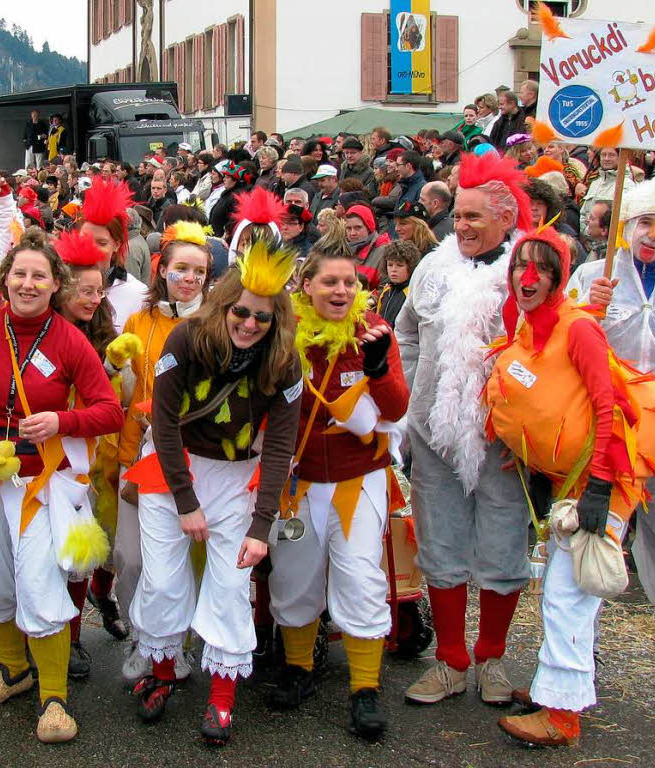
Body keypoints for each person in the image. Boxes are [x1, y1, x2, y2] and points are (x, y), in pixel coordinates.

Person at [0, 227, 123, 741]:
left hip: (39, 485)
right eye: (20, 274)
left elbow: (109, 412)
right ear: (2, 280)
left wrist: (63, 422)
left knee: (39, 584)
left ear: (56, 284)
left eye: (39, 275)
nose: (28, 284)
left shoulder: (70, 339)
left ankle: (53, 695)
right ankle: (12, 669)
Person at [126, 235, 302, 746]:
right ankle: (162, 675)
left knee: (228, 586)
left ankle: (222, 699)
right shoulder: (186, 339)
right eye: (242, 313)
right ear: (226, 304)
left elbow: (279, 449)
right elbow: (162, 423)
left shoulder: (285, 363)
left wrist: (261, 525)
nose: (250, 324)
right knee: (162, 582)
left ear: (276, 322)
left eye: (262, 319)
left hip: (233, 478)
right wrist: (186, 502)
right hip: (172, 467)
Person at [484, 224, 646, 746]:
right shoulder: (529, 330)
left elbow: (608, 406)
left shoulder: (578, 329)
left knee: (566, 596)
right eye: (519, 267)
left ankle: (561, 715)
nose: (527, 278)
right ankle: (556, 690)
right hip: (564, 486)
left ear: (559, 278)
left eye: (542, 269)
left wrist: (599, 486)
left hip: (601, 484)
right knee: (561, 592)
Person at [566, 157, 655, 704]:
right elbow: (565, 334)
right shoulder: (594, 274)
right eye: (644, 224)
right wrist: (586, 310)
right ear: (627, 226)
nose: (651, 236)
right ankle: (583, 652)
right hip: (609, 432)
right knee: (596, 541)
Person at [395, 151, 534, 707]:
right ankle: (450, 660)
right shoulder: (431, 268)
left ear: (506, 218)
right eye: (458, 215)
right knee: (440, 545)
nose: (463, 226)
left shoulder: (528, 270)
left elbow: (556, 340)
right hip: (433, 436)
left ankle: (492, 660)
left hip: (505, 439)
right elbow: (407, 334)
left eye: (475, 217)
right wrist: (409, 404)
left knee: (504, 552)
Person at [268, 232, 408, 740]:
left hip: (357, 477)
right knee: (294, 574)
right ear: (305, 286)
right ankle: (299, 668)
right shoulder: (282, 332)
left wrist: (379, 370)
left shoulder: (375, 331)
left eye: (349, 282)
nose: (341, 290)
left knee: (358, 574)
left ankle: (365, 688)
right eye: (329, 281)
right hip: (299, 481)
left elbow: (395, 410)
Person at [111, 221, 212, 683]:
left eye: (199, 271)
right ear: (162, 270)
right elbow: (124, 391)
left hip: (198, 458)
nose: (189, 278)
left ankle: (179, 643)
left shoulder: (216, 324)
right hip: (141, 453)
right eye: (181, 269)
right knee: (131, 557)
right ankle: (142, 635)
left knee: (186, 558)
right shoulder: (139, 321)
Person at [53, 228, 122, 679]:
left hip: (91, 462)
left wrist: (117, 367)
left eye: (99, 290)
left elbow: (117, 401)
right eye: (84, 289)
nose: (94, 298)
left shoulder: (103, 334)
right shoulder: (43, 329)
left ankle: (73, 638)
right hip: (44, 459)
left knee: (79, 553)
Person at [80, 179, 148, 333]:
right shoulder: (62, 286)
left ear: (116, 245)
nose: (91, 249)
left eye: (101, 243)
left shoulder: (138, 294)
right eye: (85, 239)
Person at [376, 240, 420, 328]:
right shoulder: (386, 291)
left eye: (400, 265)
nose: (394, 269)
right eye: (390, 265)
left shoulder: (413, 294)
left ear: (411, 267)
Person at [344, 204, 389, 273]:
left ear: (369, 228)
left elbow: (387, 283)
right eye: (349, 228)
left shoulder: (384, 252)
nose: (352, 233)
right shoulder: (341, 250)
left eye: (358, 228)